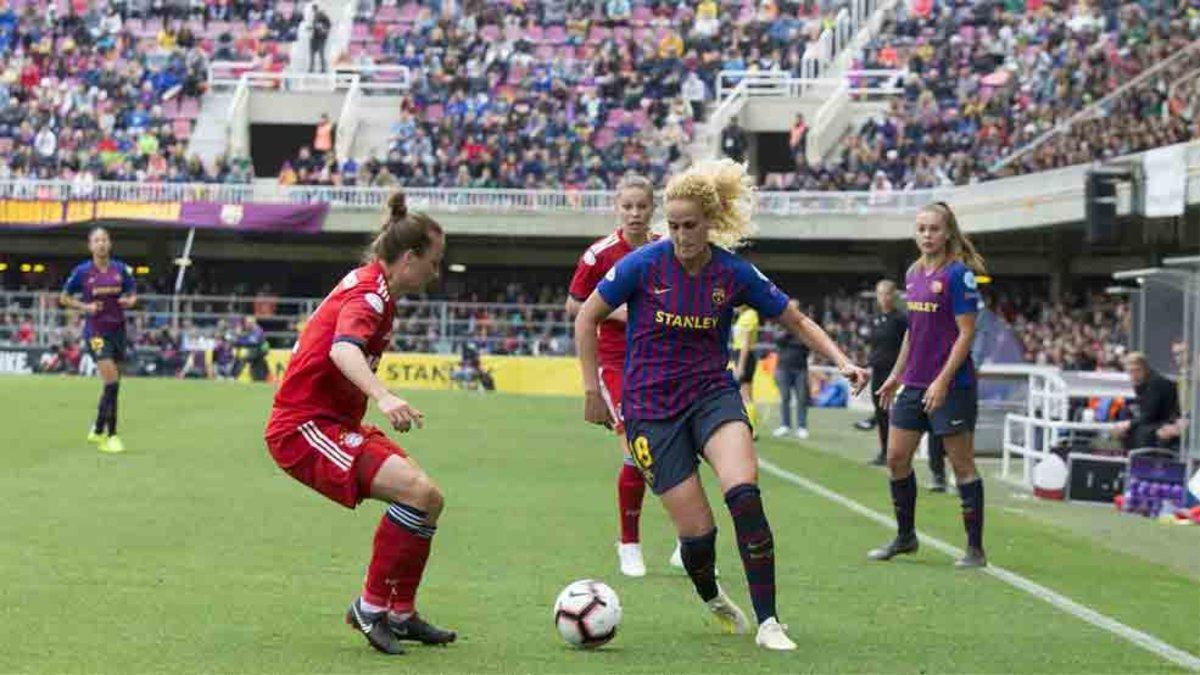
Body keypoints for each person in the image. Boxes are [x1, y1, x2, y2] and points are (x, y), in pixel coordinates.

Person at [574, 159, 869, 651]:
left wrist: (841, 360)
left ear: (710, 223)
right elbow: (586, 317)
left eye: (690, 225)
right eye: (673, 225)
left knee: (744, 494)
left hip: (713, 396)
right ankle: (711, 594)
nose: (681, 235)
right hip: (651, 409)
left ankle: (770, 621)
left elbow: (793, 319)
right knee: (698, 537)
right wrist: (591, 392)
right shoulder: (643, 264)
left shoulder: (732, 272)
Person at [263, 192, 455, 655]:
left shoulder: (379, 289)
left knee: (428, 500)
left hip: (332, 422)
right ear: (409, 258)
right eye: (434, 261)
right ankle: (371, 610)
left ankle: (401, 613)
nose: (436, 271)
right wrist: (384, 396)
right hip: (303, 428)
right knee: (417, 494)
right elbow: (342, 349)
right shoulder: (369, 295)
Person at [871, 202, 988, 568]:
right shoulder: (912, 273)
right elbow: (914, 332)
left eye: (934, 229)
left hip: (951, 386)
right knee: (895, 458)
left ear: (948, 233)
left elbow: (966, 334)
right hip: (915, 384)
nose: (926, 235)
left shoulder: (959, 276)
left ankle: (975, 549)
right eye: (921, 228)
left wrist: (942, 381)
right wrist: (896, 375)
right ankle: (906, 537)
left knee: (961, 465)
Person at [565, 174, 661, 578]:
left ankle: (688, 539)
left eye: (642, 206)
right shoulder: (599, 255)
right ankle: (629, 543)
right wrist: (625, 313)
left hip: (661, 363)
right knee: (637, 451)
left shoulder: (666, 248)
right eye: (628, 206)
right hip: (617, 363)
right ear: (617, 208)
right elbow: (574, 307)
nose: (635, 213)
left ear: (652, 208)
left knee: (677, 447)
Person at [61, 227, 137, 454]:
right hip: (96, 332)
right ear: (90, 245)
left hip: (118, 331)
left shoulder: (121, 269)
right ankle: (111, 435)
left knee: (112, 384)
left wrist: (130, 301)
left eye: (104, 240)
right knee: (112, 380)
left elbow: (133, 293)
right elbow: (64, 297)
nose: (101, 244)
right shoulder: (82, 271)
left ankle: (97, 426)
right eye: (97, 240)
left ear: (110, 244)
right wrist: (86, 307)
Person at [1114, 352, 1181, 451]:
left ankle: (1142, 462)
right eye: (1130, 371)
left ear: (1145, 368)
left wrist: (1129, 424)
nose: (1134, 375)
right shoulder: (1138, 383)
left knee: (1141, 432)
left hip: (1168, 420)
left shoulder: (1155, 383)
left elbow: (1149, 415)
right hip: (1154, 420)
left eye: (1137, 370)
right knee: (1122, 426)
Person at [771, 299, 809, 439]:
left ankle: (802, 426)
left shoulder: (804, 326)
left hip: (801, 368)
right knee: (785, 397)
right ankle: (785, 425)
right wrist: (790, 329)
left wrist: (796, 331)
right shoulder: (781, 323)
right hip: (783, 367)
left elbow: (808, 343)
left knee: (802, 398)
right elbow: (777, 339)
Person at [731, 304, 761, 436]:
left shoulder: (751, 315)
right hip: (740, 354)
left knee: (746, 394)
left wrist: (741, 367)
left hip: (745, 356)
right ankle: (750, 426)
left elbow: (746, 344)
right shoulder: (743, 316)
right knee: (746, 394)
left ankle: (752, 428)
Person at [309, 4, 331, 73]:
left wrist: (323, 29)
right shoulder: (314, 16)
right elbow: (315, 26)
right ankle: (312, 68)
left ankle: (323, 68)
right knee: (313, 54)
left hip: (321, 38)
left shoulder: (321, 15)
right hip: (315, 37)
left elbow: (328, 24)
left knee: (321, 53)